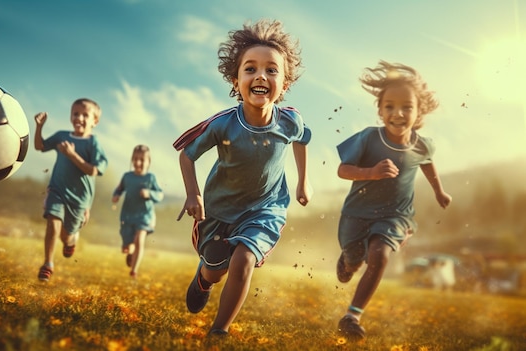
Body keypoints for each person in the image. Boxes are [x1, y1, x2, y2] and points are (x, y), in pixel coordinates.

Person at [173, 19, 312, 336]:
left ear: (285, 83)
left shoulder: (291, 120)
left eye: (271, 70)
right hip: (218, 210)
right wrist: (193, 194)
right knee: (215, 269)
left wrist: (305, 180)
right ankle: (203, 279)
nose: (261, 75)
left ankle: (218, 331)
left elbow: (302, 140)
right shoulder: (223, 124)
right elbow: (187, 154)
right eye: (250, 69)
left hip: (265, 209)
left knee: (244, 259)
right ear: (236, 81)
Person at [335, 61, 452, 340]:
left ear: (419, 111)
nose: (397, 113)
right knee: (355, 257)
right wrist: (371, 173)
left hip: (395, 216)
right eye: (389, 106)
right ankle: (349, 262)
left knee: (379, 255)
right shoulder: (367, 138)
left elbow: (427, 162)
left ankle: (352, 316)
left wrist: (439, 191)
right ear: (380, 110)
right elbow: (343, 170)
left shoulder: (423, 144)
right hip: (356, 213)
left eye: (407, 107)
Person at [34, 98, 108, 282]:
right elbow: (40, 146)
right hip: (57, 190)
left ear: (95, 121)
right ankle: (48, 264)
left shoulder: (93, 144)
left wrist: (72, 155)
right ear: (70, 116)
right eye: (76, 113)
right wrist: (39, 127)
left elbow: (93, 170)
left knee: (65, 236)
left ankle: (71, 240)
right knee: (53, 221)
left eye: (85, 115)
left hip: (80, 200)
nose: (79, 118)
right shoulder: (61, 136)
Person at [112, 145, 163, 279]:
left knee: (139, 239)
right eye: (135, 159)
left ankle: (134, 271)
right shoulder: (127, 177)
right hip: (128, 216)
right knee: (127, 247)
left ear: (148, 162)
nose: (138, 162)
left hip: (145, 217)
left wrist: (149, 193)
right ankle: (131, 253)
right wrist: (116, 195)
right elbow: (119, 189)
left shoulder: (150, 178)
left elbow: (160, 194)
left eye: (142, 159)